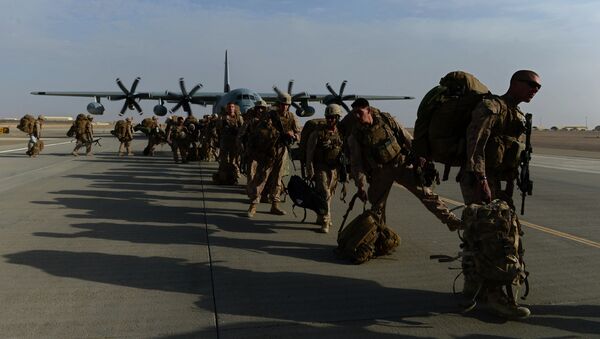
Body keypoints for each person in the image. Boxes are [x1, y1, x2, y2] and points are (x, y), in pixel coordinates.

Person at [458, 70, 541, 319]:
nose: (535, 90)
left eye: (538, 88)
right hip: (479, 178)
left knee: (479, 234)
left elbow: (508, 153)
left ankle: (473, 286)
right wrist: (482, 179)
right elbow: (476, 143)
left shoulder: (516, 115)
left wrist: (508, 187)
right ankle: (497, 296)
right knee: (495, 237)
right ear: (515, 83)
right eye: (531, 85)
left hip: (497, 182)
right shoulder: (491, 107)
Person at [347, 98, 462, 229]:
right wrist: (360, 186)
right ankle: (380, 236)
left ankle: (451, 221)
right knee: (377, 208)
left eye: (359, 112)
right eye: (354, 113)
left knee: (427, 194)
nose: (356, 116)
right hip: (380, 172)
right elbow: (356, 163)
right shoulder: (356, 136)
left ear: (368, 110)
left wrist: (420, 157)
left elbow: (407, 137)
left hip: (401, 163)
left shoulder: (387, 120)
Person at [246, 93, 300, 217]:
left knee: (278, 179)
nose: (284, 107)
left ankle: (275, 205)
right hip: (268, 150)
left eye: (286, 105)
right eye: (282, 104)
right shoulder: (269, 116)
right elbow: (260, 131)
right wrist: (275, 132)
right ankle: (253, 205)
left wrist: (293, 135)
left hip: (282, 150)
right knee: (261, 177)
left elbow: (298, 134)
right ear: (278, 104)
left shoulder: (291, 117)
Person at [305, 104, 344, 233]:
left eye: (333, 117)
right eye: (328, 117)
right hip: (321, 167)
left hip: (335, 169)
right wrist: (309, 169)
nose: (330, 120)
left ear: (338, 118)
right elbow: (309, 152)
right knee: (324, 193)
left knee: (330, 194)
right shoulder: (317, 133)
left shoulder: (341, 134)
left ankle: (320, 215)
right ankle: (326, 221)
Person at [216, 102, 244, 179]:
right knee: (224, 160)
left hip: (235, 142)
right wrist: (220, 118)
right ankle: (223, 176)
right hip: (225, 141)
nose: (230, 108)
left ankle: (234, 175)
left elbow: (243, 129)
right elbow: (218, 127)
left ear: (234, 108)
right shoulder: (223, 117)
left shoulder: (238, 118)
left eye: (232, 107)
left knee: (234, 160)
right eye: (229, 107)